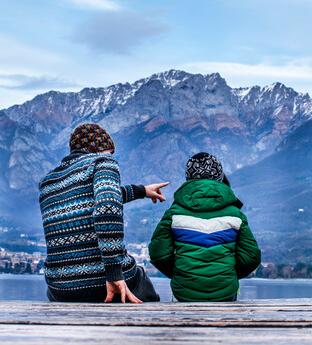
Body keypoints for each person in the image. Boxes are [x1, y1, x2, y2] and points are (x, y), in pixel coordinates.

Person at [39, 123, 169, 303]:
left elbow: (89, 199)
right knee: (141, 279)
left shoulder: (48, 182)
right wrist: (114, 272)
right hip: (103, 283)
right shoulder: (102, 162)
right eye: (110, 153)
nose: (112, 158)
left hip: (59, 288)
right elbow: (107, 206)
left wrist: (141, 191)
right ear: (99, 149)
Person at [149, 152, 261, 302]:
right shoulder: (235, 215)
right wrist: (228, 273)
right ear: (220, 177)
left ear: (188, 178)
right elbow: (251, 256)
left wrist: (181, 272)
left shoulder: (173, 214)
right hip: (226, 292)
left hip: (185, 293)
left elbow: (159, 254)